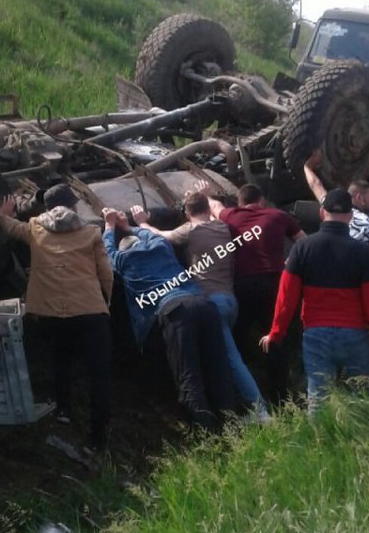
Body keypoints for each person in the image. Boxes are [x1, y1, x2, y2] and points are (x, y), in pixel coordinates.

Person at [132, 190, 271, 423]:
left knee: (230, 359)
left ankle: (260, 410)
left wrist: (142, 222)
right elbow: (216, 211)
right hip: (230, 300)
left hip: (211, 302)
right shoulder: (223, 227)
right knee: (221, 356)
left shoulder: (190, 230)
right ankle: (238, 407)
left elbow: (160, 236)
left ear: (187, 214)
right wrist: (207, 194)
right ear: (208, 209)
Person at [261, 188, 369, 413]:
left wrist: (276, 333)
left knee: (318, 399)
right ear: (350, 216)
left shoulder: (302, 248)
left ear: (322, 213)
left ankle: (321, 444)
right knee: (364, 398)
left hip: (316, 336)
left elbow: (286, 298)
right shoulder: (362, 252)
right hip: (355, 336)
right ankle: (363, 444)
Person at [0, 184, 113, 454]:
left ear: (48, 208)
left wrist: (3, 213)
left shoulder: (35, 228)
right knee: (100, 374)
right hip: (89, 312)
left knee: (60, 358)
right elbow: (105, 273)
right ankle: (97, 438)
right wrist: (106, 302)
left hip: (51, 312)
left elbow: (10, 227)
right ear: (73, 206)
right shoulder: (91, 232)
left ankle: (63, 409)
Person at [102, 209, 235, 429]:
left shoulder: (122, 260)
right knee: (217, 366)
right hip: (203, 303)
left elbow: (107, 250)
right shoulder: (162, 247)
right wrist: (128, 226)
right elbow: (150, 235)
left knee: (188, 374)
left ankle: (205, 432)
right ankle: (231, 424)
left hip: (174, 312)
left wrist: (109, 227)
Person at [209, 183, 304, 405]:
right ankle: (280, 397)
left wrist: (206, 195)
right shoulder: (279, 215)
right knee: (275, 334)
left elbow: (214, 206)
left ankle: (239, 395)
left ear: (240, 203)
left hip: (243, 283)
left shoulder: (231, 215)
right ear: (261, 200)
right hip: (273, 282)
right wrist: (289, 263)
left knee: (238, 336)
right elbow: (303, 241)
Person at [302, 153, 369, 244]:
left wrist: (307, 167)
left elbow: (316, 185)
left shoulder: (331, 206)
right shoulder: (367, 224)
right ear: (359, 197)